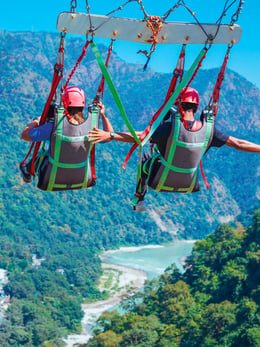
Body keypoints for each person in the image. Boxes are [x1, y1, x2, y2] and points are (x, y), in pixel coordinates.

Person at [88, 87, 260, 212]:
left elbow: (140, 136)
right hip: (189, 182)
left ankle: (139, 198)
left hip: (161, 178)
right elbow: (239, 144)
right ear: (196, 107)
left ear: (177, 105)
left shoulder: (170, 128)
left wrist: (110, 135)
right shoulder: (209, 131)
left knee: (146, 158)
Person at [20, 86, 114, 189]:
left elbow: (25, 135)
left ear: (64, 105)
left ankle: (28, 171)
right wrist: (103, 115)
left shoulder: (53, 127)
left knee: (41, 155)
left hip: (52, 176)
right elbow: (109, 136)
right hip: (80, 177)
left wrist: (37, 121)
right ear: (82, 107)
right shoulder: (91, 129)